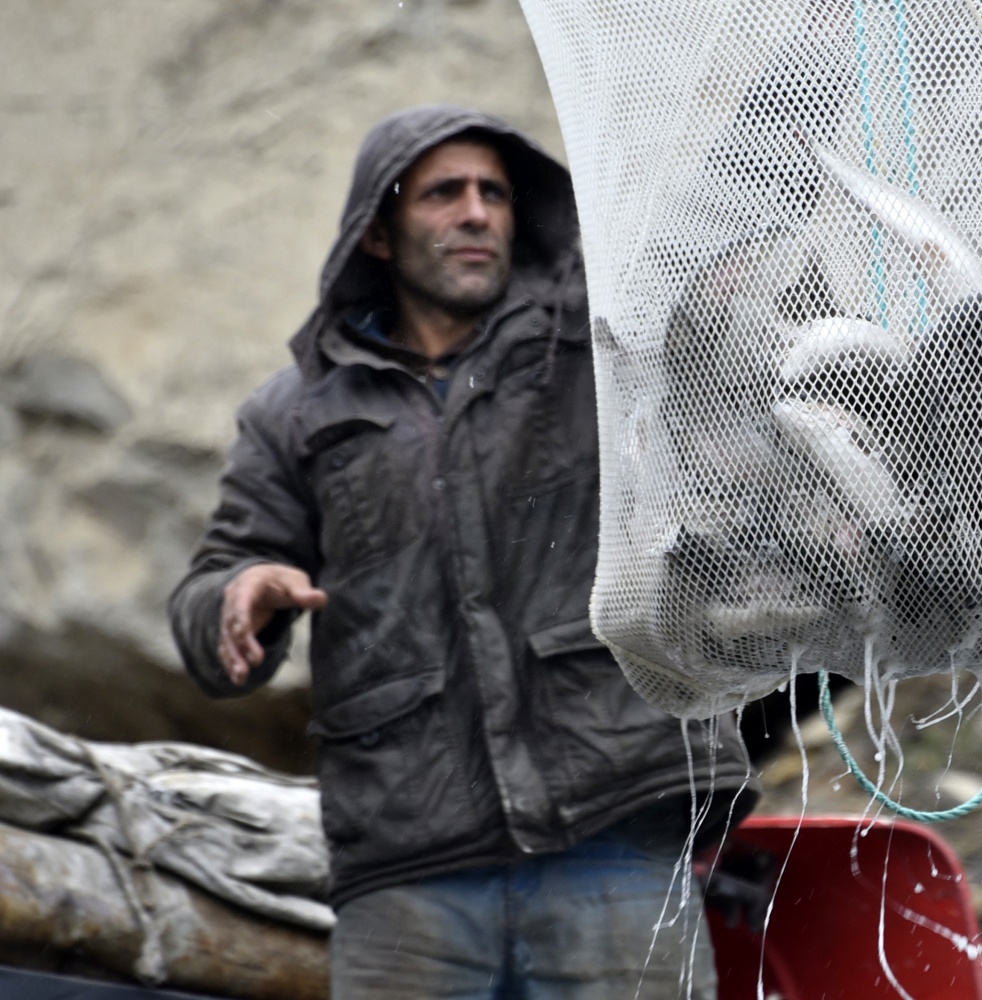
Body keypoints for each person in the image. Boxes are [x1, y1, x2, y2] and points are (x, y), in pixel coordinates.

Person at [169, 105, 755, 999]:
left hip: (612, 843)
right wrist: (240, 594)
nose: (478, 213)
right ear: (377, 230)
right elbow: (212, 585)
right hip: (407, 877)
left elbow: (709, 213)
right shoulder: (293, 415)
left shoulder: (590, 348)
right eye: (444, 194)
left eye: (494, 193)